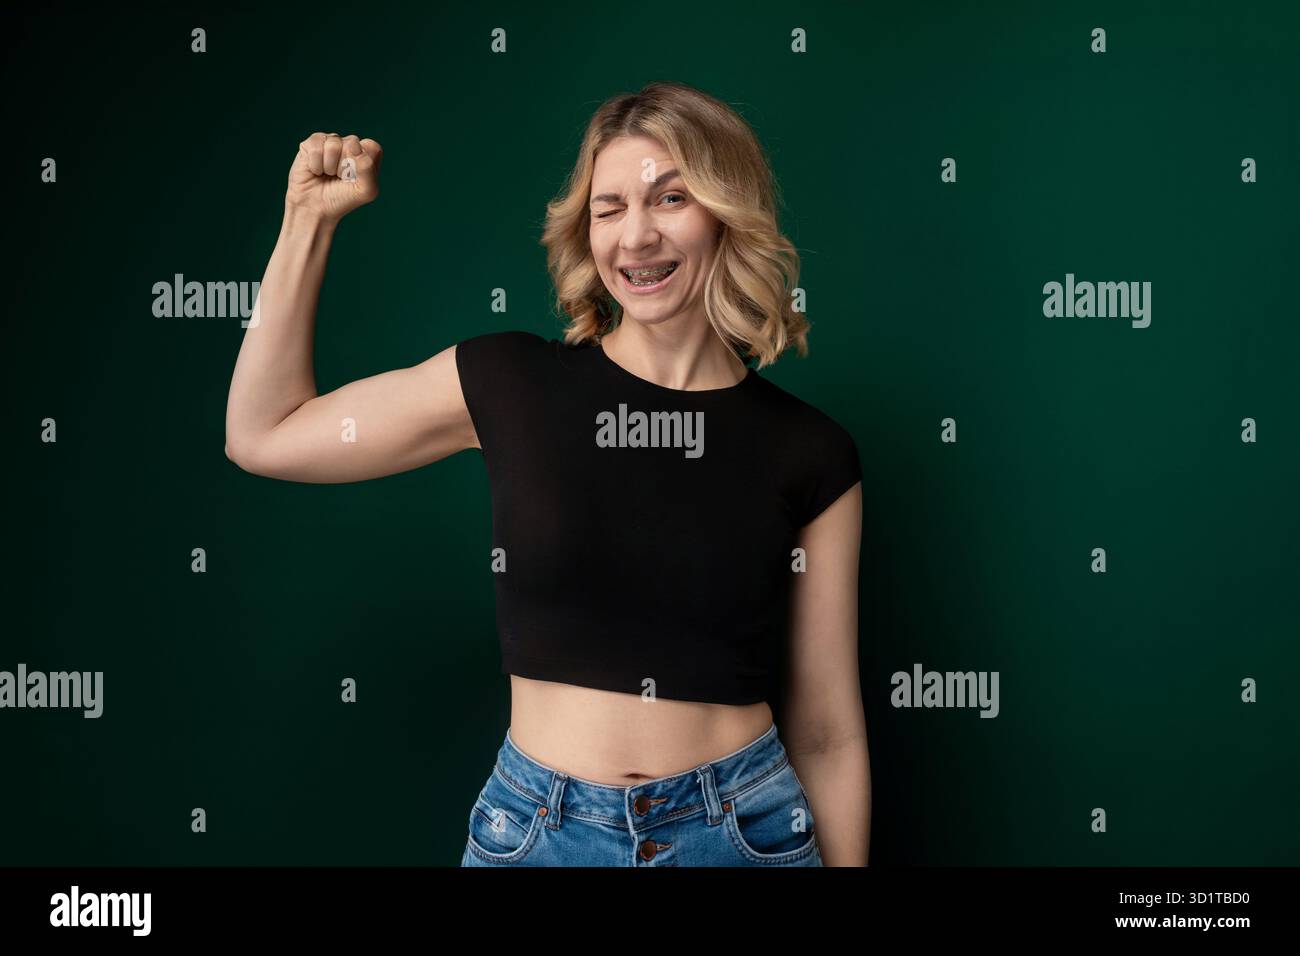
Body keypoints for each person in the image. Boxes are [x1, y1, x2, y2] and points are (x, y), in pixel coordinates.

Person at [224, 81, 870, 867]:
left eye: (669, 198)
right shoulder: (509, 382)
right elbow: (263, 434)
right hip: (538, 835)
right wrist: (306, 224)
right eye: (608, 208)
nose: (635, 237)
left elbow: (828, 733)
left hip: (742, 833)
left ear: (724, 212)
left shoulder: (811, 450)